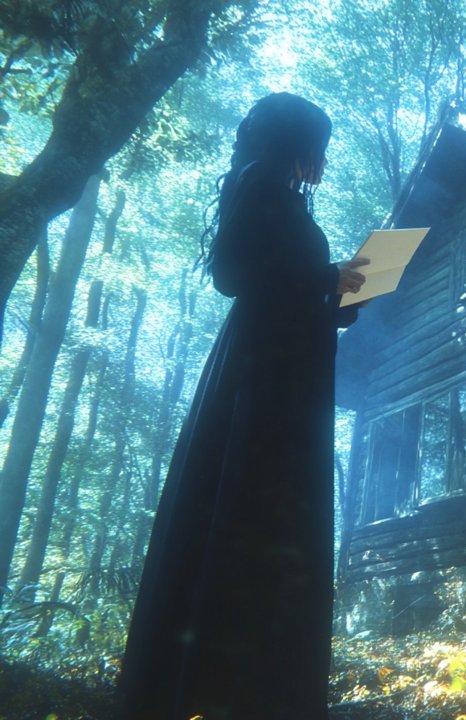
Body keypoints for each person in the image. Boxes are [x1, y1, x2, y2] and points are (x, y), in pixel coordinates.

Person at [117, 92, 367, 720]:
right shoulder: (260, 183)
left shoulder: (281, 193)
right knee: (253, 504)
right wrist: (327, 278)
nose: (323, 159)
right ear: (298, 143)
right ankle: (232, 687)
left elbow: (285, 287)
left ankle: (252, 688)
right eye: (320, 146)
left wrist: (341, 300)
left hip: (284, 373)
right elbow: (234, 273)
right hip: (263, 379)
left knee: (267, 507)